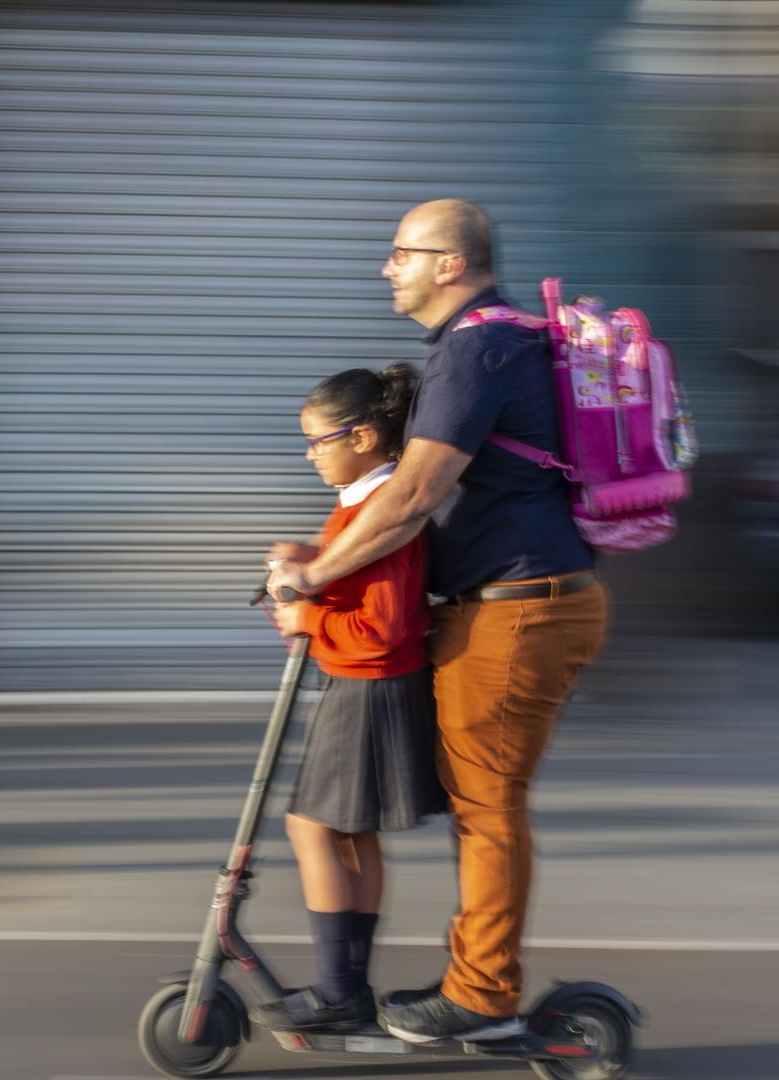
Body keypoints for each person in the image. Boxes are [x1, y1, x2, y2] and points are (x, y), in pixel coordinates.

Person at [267, 199, 608, 1043]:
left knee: (489, 808)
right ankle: (468, 980)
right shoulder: (491, 343)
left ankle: (483, 995)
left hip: (520, 610)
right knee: (477, 804)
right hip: (507, 607)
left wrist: (313, 577)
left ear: (449, 263)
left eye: (401, 254)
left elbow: (414, 496)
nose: (389, 267)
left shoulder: (475, 349)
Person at [250, 364, 448, 1032]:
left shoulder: (380, 506)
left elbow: (383, 625)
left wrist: (309, 619)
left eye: (318, 441)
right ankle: (348, 991)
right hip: (375, 686)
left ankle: (339, 994)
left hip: (367, 686)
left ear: (362, 436)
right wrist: (306, 553)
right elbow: (361, 577)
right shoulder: (363, 500)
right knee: (352, 836)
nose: (310, 454)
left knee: (310, 827)